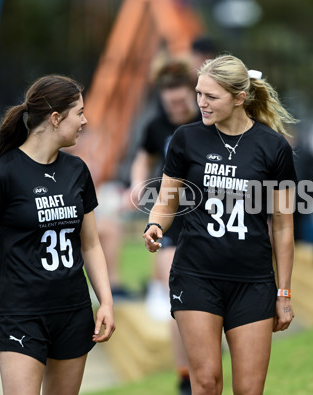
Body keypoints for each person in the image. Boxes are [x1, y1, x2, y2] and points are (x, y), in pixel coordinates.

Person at [142, 54, 296, 394]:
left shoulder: (272, 147)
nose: (201, 103)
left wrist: (283, 292)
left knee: (249, 389)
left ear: (239, 98)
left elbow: (283, 225)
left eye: (211, 97)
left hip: (253, 282)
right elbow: (166, 202)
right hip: (196, 276)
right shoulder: (186, 138)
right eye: (199, 94)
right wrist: (155, 226)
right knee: (207, 381)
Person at [0, 74, 115, 394]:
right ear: (56, 118)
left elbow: (90, 245)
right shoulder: (2, 174)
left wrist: (106, 302)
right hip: (21, 315)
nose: (86, 120)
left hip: (73, 313)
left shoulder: (77, 171)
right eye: (80, 113)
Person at [128, 58, 201, 394]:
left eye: (182, 101)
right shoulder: (157, 126)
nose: (176, 108)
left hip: (208, 218)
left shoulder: (208, 120)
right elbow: (143, 158)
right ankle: (185, 372)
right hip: (171, 216)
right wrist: (138, 183)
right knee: (179, 295)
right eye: (170, 103)